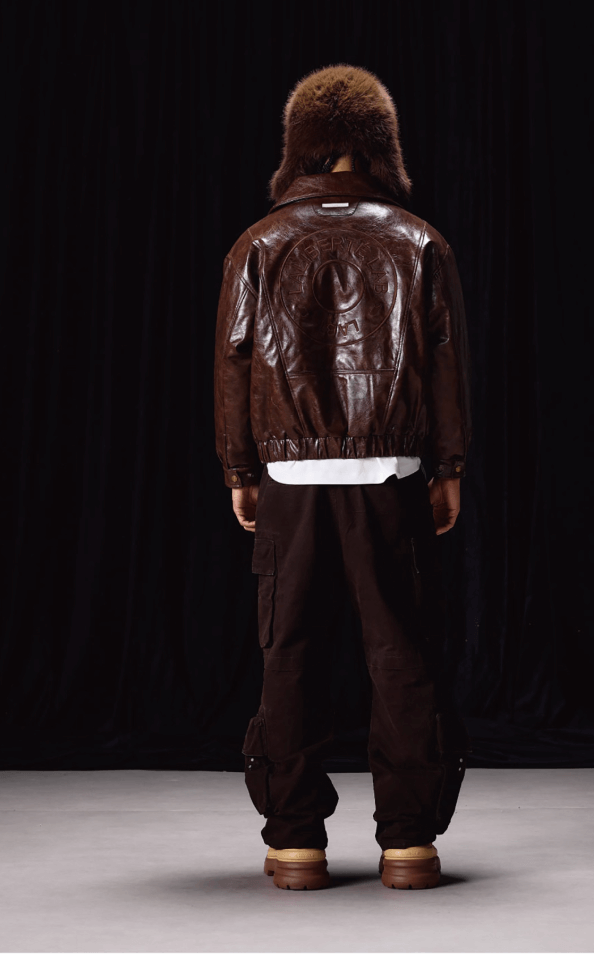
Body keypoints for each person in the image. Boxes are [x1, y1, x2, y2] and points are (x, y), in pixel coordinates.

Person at [213, 63, 473, 890]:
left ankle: (296, 845)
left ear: (300, 147)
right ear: (381, 147)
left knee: (288, 654)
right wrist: (448, 468)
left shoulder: (257, 244)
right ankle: (409, 845)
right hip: (391, 474)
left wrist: (241, 470)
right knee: (400, 653)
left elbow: (235, 363)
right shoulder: (419, 241)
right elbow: (444, 364)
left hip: (289, 480)